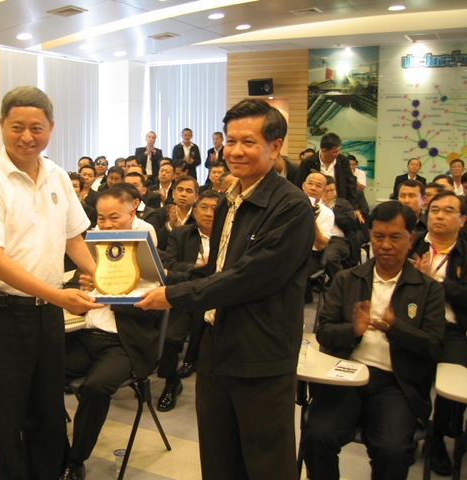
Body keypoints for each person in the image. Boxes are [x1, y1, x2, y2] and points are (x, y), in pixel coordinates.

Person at [137, 99, 314, 479]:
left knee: (266, 464)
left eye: (248, 142)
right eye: (230, 141)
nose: (235, 151)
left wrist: (173, 296)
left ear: (275, 146)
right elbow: (216, 270)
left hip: (261, 352)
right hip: (214, 344)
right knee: (218, 459)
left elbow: (249, 277)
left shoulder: (292, 207)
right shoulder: (227, 202)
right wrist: (156, 279)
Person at [0, 86, 102, 480]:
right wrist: (58, 295)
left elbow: (74, 238)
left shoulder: (58, 175)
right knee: (6, 419)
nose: (27, 137)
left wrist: (105, 279)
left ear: (51, 128)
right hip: (1, 316)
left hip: (47, 317)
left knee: (48, 411)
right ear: (2, 126)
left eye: (37, 128)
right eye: (17, 127)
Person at [301, 201, 446, 480]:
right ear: (370, 236)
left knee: (393, 450)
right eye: (378, 236)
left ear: (411, 239)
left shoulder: (427, 289)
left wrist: (396, 328)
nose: (386, 245)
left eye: (395, 237)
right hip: (346, 376)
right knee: (317, 436)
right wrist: (353, 330)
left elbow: (434, 347)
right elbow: (324, 332)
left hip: (396, 384)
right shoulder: (347, 279)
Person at [61, 188, 163, 480]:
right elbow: (73, 289)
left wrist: (109, 290)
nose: (106, 225)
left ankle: (75, 459)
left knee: (95, 388)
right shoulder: (93, 249)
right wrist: (83, 290)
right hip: (84, 334)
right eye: (101, 218)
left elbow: (153, 310)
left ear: (132, 214)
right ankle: (56, 449)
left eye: (114, 217)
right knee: (40, 373)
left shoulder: (145, 255)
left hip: (124, 344)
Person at [409, 190, 467, 476]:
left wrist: (434, 282)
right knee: (405, 371)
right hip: (412, 322)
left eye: (447, 210)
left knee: (453, 382)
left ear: (462, 219)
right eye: (434, 210)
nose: (439, 215)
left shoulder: (465, 252)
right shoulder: (412, 244)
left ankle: (439, 436)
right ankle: (410, 427)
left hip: (451, 328)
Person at [156, 190, 220, 412]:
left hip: (219, 297)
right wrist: (199, 269)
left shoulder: (230, 236)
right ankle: (171, 382)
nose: (209, 213)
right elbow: (170, 264)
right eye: (204, 207)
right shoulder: (181, 233)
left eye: (215, 208)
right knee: (169, 337)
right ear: (195, 211)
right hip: (185, 294)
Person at [294, 133, 359, 213]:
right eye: (334, 152)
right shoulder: (308, 163)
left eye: (338, 151)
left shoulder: (343, 161)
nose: (337, 154)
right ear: (324, 150)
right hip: (313, 207)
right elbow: (298, 186)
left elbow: (350, 185)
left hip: (338, 207)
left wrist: (354, 207)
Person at [303, 171, 334, 302]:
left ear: (323, 191)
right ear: (303, 186)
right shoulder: (289, 205)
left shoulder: (327, 214)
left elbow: (321, 245)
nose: (313, 188)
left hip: (311, 255)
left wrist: (312, 219)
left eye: (318, 186)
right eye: (310, 184)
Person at [322, 176, 358, 280]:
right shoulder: (315, 204)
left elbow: (350, 223)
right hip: (317, 238)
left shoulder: (343, 204)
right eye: (326, 191)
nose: (330, 194)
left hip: (338, 239)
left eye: (332, 190)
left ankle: (342, 283)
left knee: (330, 258)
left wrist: (330, 211)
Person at [153, 175, 199, 250]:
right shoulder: (160, 213)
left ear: (196, 197)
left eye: (189, 191)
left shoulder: (198, 216)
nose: (183, 194)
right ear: (173, 194)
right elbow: (156, 244)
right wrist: (170, 224)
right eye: (180, 190)